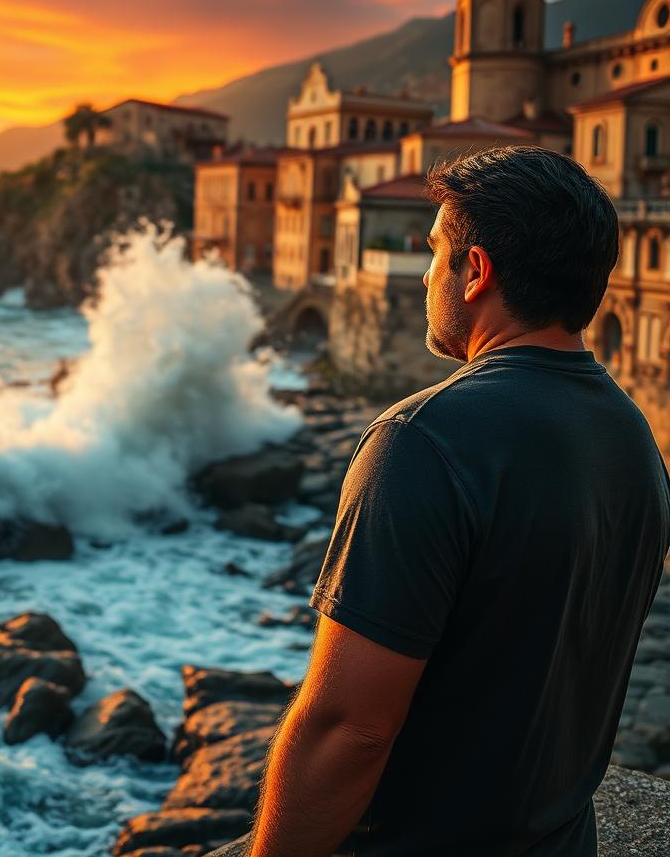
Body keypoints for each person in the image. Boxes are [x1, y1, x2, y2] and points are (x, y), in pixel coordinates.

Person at [245, 145, 670, 856]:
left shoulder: (423, 439)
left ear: (476, 272)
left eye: (436, 251)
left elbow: (351, 728)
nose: (423, 276)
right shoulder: (635, 440)